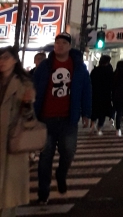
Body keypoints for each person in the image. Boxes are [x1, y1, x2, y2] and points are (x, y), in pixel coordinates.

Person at [33, 32, 91, 205]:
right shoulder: (45, 66)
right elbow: (33, 86)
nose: (59, 45)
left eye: (64, 43)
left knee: (68, 152)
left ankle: (61, 174)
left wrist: (86, 113)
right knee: (45, 158)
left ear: (70, 46)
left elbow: (86, 90)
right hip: (45, 119)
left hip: (68, 119)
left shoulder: (78, 67)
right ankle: (43, 192)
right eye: (57, 42)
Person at [0, 45, 35, 217]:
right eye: (0, 58)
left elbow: (29, 117)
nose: (2, 61)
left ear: (15, 60)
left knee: (9, 192)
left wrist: (27, 104)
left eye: (6, 57)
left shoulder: (24, 84)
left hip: (12, 142)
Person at [90, 55, 113, 135]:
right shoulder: (109, 71)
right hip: (105, 94)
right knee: (102, 112)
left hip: (95, 93)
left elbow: (90, 82)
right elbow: (111, 84)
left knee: (94, 109)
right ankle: (99, 128)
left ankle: (93, 124)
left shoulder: (95, 70)